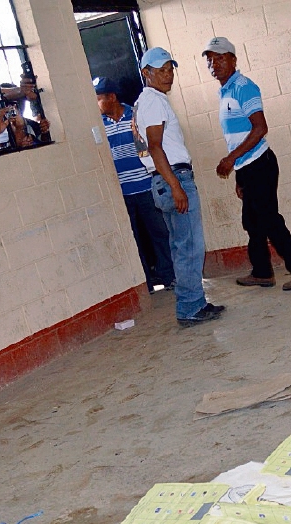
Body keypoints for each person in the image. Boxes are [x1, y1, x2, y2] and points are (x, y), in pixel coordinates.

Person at [204, 38, 291, 292]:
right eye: (210, 59)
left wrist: (231, 159)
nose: (215, 63)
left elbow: (260, 128)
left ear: (233, 60)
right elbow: (236, 135)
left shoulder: (243, 87)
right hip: (248, 167)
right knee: (252, 222)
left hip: (260, 164)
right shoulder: (225, 91)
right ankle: (262, 272)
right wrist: (239, 176)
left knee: (269, 221)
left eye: (220, 57)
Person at [134, 47, 224, 327]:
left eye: (170, 70)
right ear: (145, 73)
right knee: (190, 247)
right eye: (160, 70)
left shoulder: (151, 100)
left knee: (184, 245)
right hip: (172, 177)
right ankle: (189, 307)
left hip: (169, 178)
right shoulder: (152, 101)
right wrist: (176, 185)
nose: (167, 75)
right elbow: (155, 146)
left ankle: (194, 303)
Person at [94, 77, 175, 293]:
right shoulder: (99, 127)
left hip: (146, 187)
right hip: (122, 194)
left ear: (112, 97)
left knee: (160, 233)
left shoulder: (135, 116)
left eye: (99, 99)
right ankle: (146, 283)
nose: (96, 104)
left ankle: (169, 277)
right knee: (133, 239)